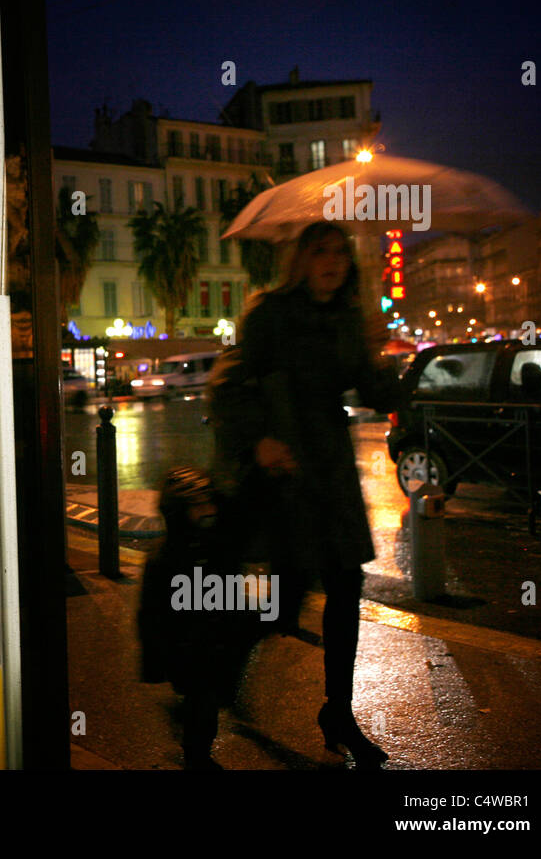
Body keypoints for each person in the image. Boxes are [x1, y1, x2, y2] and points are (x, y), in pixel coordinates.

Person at [206, 221, 401, 769]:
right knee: (284, 602)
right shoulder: (270, 313)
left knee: (345, 587)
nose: (333, 262)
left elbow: (378, 394)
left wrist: (378, 353)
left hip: (332, 471)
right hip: (287, 470)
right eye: (321, 252)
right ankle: (224, 668)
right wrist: (260, 438)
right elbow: (228, 385)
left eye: (341, 253)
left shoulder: (345, 319)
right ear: (301, 260)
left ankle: (337, 710)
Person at [139, 467, 261, 770]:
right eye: (197, 506)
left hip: (213, 641)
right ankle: (197, 756)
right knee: (201, 702)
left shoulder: (218, 547)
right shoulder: (166, 559)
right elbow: (150, 614)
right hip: (187, 647)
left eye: (208, 504)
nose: (206, 512)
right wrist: (155, 658)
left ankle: (197, 750)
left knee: (207, 699)